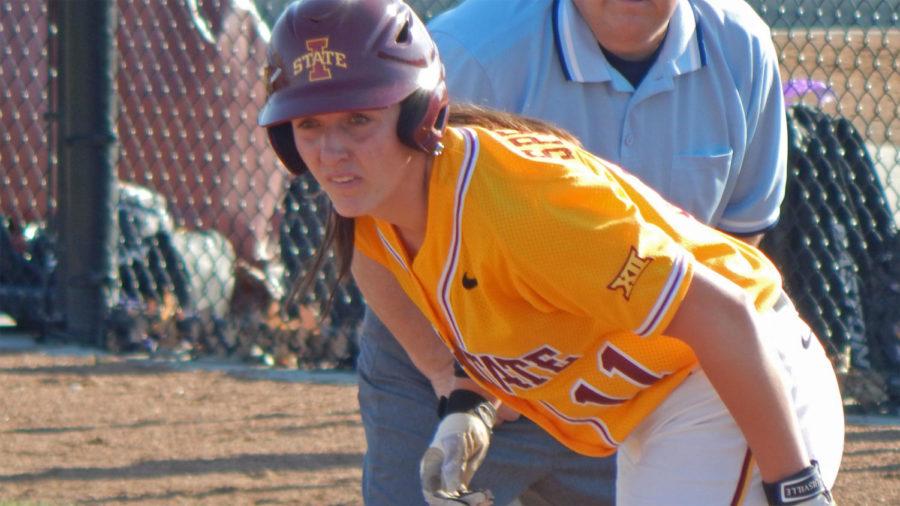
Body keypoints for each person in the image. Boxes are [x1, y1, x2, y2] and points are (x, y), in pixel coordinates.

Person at [257, 1, 844, 505]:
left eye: (359, 118)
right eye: (309, 125)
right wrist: (464, 394)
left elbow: (727, 314)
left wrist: (798, 487)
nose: (332, 149)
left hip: (736, 382)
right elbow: (379, 262)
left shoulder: (524, 208)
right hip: (652, 403)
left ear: (420, 114)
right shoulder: (373, 208)